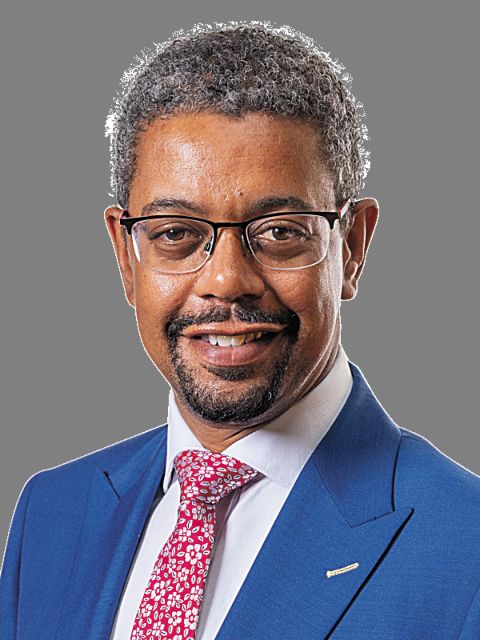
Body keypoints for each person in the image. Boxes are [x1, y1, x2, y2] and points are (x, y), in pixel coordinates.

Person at [1, 22, 479, 640]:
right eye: (176, 233)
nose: (227, 281)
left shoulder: (465, 550)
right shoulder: (50, 514)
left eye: (280, 231)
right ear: (125, 255)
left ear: (352, 247)